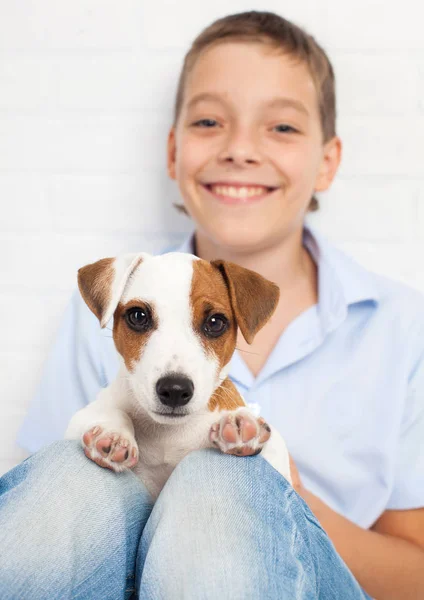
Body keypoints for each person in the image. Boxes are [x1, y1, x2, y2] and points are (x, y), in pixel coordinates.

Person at [1, 10, 423, 600]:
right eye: (208, 121)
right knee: (68, 474)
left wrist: (280, 496)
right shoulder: (113, 303)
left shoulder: (402, 327)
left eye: (281, 127)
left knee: (218, 482)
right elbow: (58, 518)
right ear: (174, 153)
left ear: (327, 160)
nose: (240, 149)